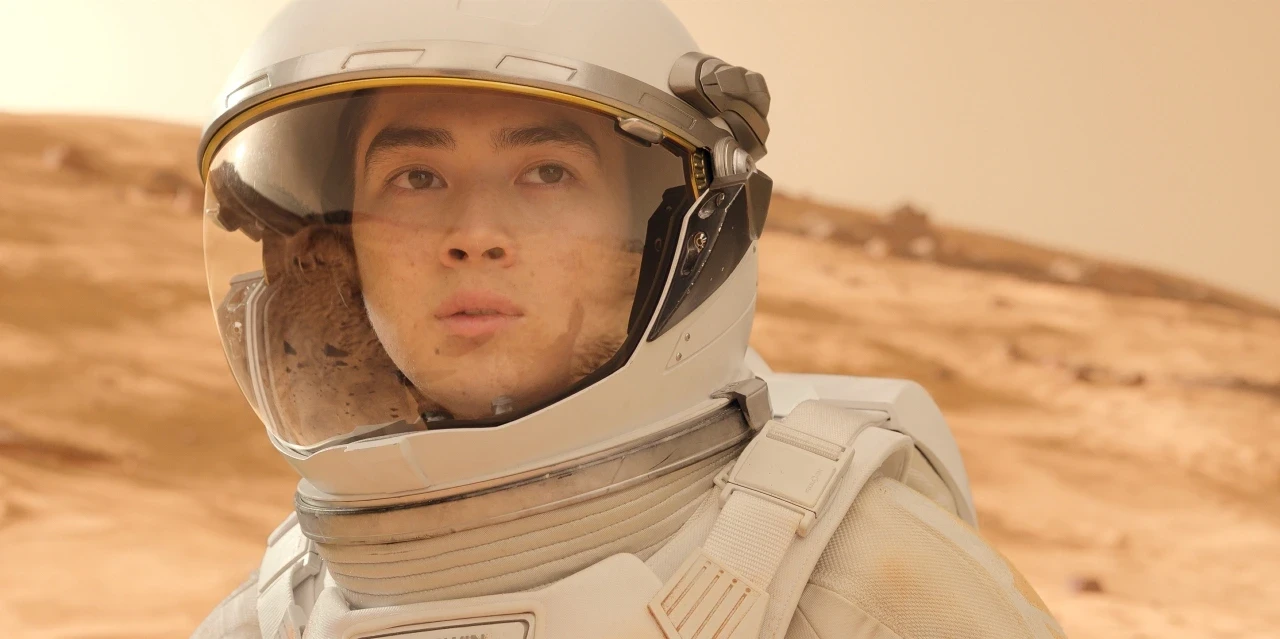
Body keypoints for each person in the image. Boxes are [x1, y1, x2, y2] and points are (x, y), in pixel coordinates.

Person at [193, 1, 1067, 638]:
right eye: (416, 178)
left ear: (672, 238)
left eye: (546, 173)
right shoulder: (270, 621)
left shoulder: (876, 595)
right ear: (343, 250)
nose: (474, 236)